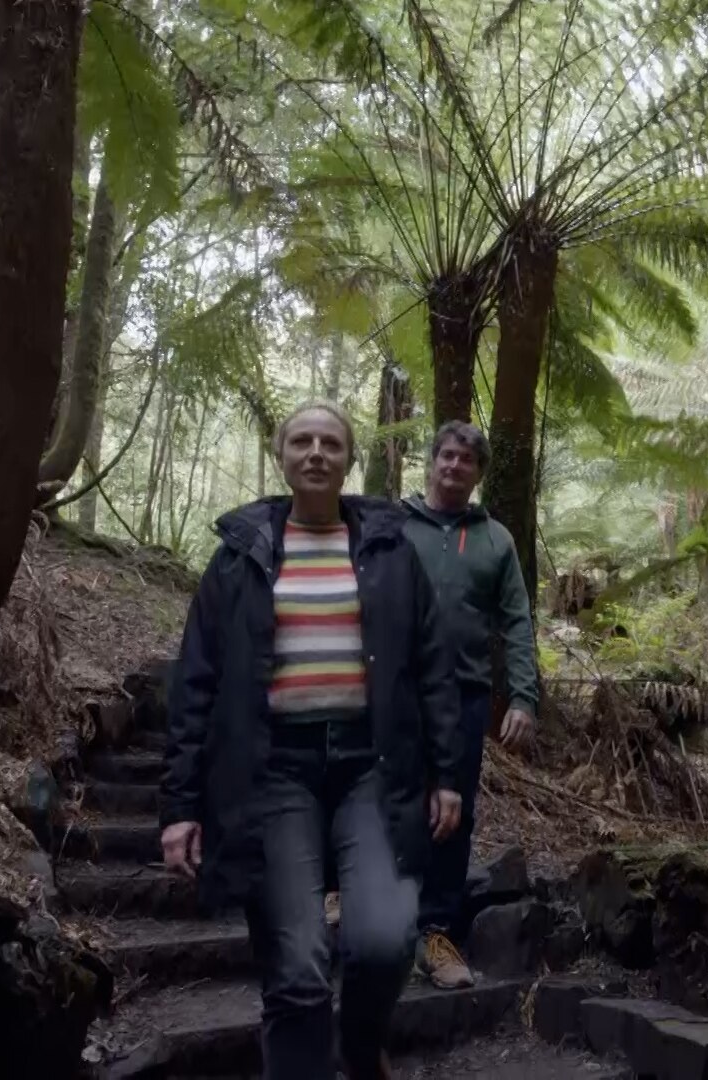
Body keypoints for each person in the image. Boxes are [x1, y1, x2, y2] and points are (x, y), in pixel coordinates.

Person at [158, 402, 464, 1080]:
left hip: (371, 768)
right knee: (297, 969)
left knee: (385, 940)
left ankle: (358, 1049)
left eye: (331, 442)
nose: (317, 452)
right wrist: (180, 804)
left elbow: (433, 667)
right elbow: (196, 683)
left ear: (350, 459)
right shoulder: (239, 558)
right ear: (281, 455)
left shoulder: (391, 553)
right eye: (302, 441)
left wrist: (448, 773)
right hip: (274, 771)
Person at [400, 421, 540, 989]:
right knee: (382, 801)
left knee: (451, 816)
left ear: (479, 474)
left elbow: (517, 620)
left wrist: (524, 697)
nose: (455, 467)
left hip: (464, 693)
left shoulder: (495, 540)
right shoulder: (393, 526)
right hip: (394, 691)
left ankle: (435, 932)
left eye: (467, 461)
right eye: (447, 457)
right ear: (432, 462)